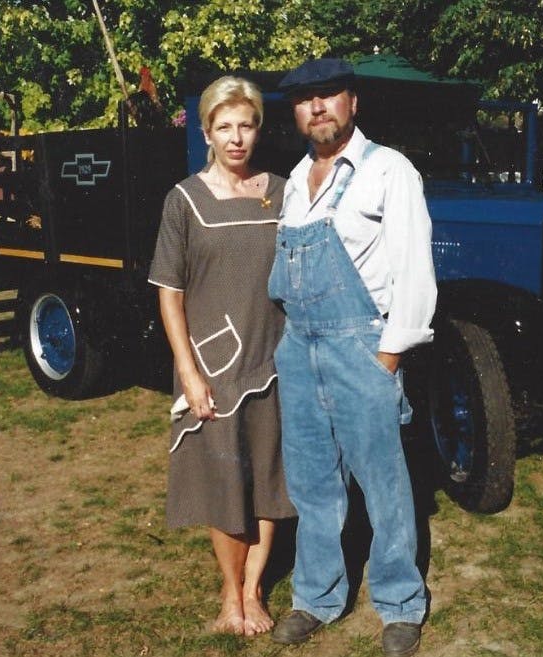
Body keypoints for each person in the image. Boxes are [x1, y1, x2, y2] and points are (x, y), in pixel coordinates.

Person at [268, 58, 437, 657]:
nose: (317, 107)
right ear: (295, 112)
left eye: (328, 95)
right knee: (313, 483)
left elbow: (416, 271)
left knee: (384, 483)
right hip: (301, 346)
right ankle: (318, 597)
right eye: (304, 99)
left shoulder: (389, 171)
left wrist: (387, 358)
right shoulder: (292, 180)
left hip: (361, 348)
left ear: (352, 103)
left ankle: (399, 603)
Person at [148, 75, 296, 636]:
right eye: (224, 127)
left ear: (259, 129)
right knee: (224, 478)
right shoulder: (183, 200)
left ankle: (254, 589)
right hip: (216, 361)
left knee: (268, 475)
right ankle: (229, 594)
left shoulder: (281, 191)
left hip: (276, 355)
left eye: (247, 125)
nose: (237, 138)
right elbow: (170, 291)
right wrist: (188, 372)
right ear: (207, 132)